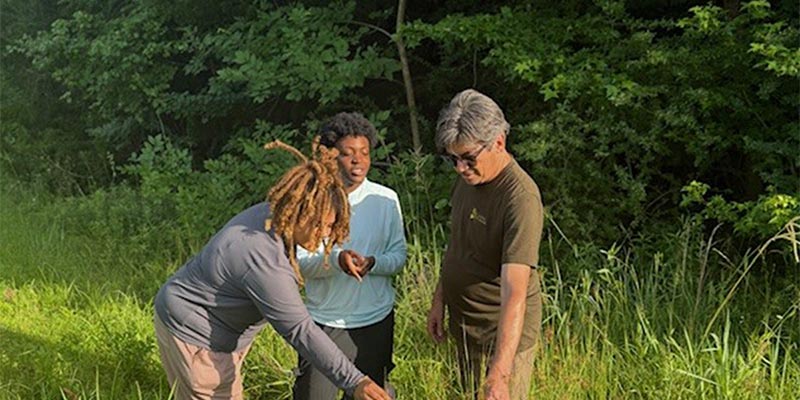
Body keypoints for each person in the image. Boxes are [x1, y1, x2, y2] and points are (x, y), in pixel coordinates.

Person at [153, 138, 392, 400]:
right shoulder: (261, 256)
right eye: (318, 225)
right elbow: (300, 329)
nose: (325, 234)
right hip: (196, 335)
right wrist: (356, 382)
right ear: (298, 212)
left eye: (330, 225)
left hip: (213, 327)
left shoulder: (274, 218)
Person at [426, 89, 544, 400]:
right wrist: (440, 299)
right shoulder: (469, 179)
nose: (460, 168)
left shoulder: (520, 198)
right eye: (452, 158)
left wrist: (500, 374)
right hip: (464, 327)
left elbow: (515, 292)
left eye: (468, 158)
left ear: (499, 143)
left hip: (499, 339)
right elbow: (458, 244)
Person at [292, 112, 407, 400]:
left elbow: (399, 256)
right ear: (331, 157)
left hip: (375, 321)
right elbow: (303, 263)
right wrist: (338, 261)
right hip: (325, 323)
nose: (358, 160)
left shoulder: (386, 199)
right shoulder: (314, 200)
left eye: (365, 153)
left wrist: (373, 263)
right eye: (348, 153)